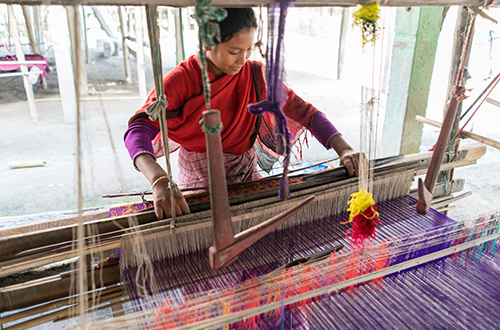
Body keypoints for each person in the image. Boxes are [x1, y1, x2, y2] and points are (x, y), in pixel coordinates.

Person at [124, 8, 366, 220]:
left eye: (249, 49)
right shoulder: (182, 80)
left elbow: (305, 112)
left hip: (246, 178)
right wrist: (159, 180)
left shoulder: (255, 76)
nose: (243, 59)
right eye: (234, 51)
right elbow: (138, 129)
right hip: (199, 184)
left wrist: (343, 148)